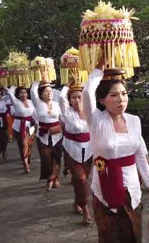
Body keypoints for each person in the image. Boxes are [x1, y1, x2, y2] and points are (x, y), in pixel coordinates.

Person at [83, 59, 149, 242]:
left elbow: (141, 156)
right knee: (109, 235)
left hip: (131, 189)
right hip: (104, 186)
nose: (121, 99)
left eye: (124, 94)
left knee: (133, 234)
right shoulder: (96, 121)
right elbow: (86, 92)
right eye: (114, 95)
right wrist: (98, 70)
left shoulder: (134, 121)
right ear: (102, 99)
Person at [58, 81, 93, 225]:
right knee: (81, 180)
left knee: (82, 180)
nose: (77, 100)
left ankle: (76, 202)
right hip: (72, 152)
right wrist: (67, 85)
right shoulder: (67, 113)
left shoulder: (91, 112)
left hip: (89, 152)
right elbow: (61, 98)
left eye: (80, 97)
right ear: (69, 100)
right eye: (73, 98)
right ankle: (86, 210)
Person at [31, 80, 63, 191]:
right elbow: (32, 90)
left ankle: (55, 178)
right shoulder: (38, 103)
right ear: (41, 94)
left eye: (50, 91)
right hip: (43, 136)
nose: (49, 93)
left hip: (57, 135)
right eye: (46, 92)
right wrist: (37, 79)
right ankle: (49, 179)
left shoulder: (57, 104)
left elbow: (62, 119)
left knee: (57, 158)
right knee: (46, 159)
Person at [7, 86, 36, 173]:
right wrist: (14, 85)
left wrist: (37, 124)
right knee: (23, 145)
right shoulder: (16, 102)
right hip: (19, 126)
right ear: (18, 95)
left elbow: (35, 114)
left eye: (25, 92)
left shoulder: (31, 102)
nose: (23, 94)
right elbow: (9, 93)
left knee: (30, 144)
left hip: (30, 126)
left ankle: (27, 159)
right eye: (21, 93)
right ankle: (25, 164)